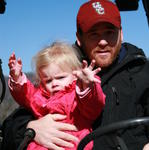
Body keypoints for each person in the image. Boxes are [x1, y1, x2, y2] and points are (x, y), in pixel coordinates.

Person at [1, 0, 149, 149]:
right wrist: (31, 128)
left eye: (109, 33)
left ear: (121, 34)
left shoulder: (142, 72)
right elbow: (13, 123)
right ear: (79, 38)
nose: (103, 41)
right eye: (94, 34)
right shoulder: (62, 70)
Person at [7, 42, 105, 150]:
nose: (54, 84)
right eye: (48, 80)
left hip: (73, 143)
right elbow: (26, 96)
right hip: (42, 144)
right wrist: (17, 79)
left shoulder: (77, 95)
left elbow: (93, 104)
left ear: (75, 74)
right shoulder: (42, 98)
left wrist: (87, 85)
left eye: (60, 77)